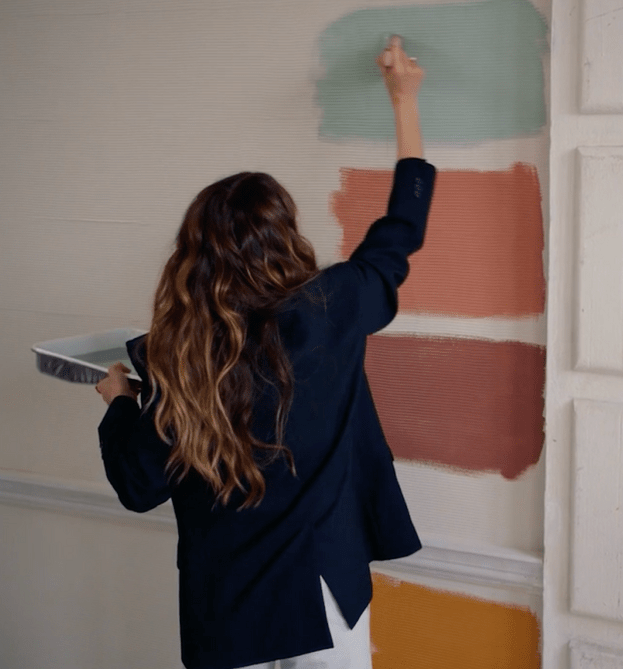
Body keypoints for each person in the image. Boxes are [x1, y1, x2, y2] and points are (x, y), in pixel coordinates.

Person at [93, 36, 432, 669]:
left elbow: (139, 487)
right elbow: (400, 233)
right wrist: (404, 101)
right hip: (325, 597)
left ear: (194, 256)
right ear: (286, 236)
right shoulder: (335, 306)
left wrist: (119, 400)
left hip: (228, 616)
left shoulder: (180, 357)